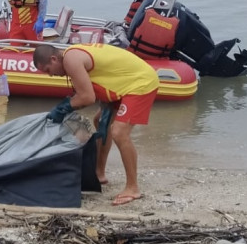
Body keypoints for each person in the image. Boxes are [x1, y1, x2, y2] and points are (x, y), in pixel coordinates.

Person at [32, 43, 160, 206]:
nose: (51, 75)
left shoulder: (71, 60)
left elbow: (87, 98)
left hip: (140, 82)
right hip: (123, 82)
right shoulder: (71, 55)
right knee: (100, 121)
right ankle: (99, 173)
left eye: (48, 70)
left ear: (53, 58)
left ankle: (132, 188)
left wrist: (61, 108)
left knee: (119, 132)